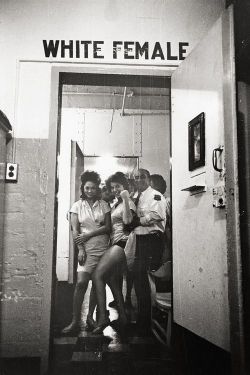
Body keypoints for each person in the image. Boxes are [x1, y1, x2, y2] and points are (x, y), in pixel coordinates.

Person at [62, 171, 111, 334]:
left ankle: (91, 316)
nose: (90, 191)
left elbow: (108, 227)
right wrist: (81, 249)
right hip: (86, 250)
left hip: (103, 249)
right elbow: (75, 230)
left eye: (94, 188)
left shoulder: (104, 204)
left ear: (98, 189)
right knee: (81, 283)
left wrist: (89, 233)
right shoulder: (76, 206)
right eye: (87, 188)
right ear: (83, 188)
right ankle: (75, 321)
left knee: (98, 282)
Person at [92, 172, 136, 334]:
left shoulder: (127, 202)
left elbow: (127, 221)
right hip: (115, 243)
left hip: (122, 244)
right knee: (112, 279)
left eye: (118, 186)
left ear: (124, 186)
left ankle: (103, 317)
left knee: (97, 275)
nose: (115, 190)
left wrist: (125, 198)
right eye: (113, 187)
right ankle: (123, 317)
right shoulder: (116, 203)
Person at [132, 168, 167, 334]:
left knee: (149, 281)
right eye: (136, 177)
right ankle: (142, 319)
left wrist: (137, 221)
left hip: (151, 241)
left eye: (142, 177)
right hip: (139, 242)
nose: (139, 180)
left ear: (148, 178)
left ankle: (147, 321)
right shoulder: (136, 196)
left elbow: (156, 215)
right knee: (139, 282)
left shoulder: (155, 195)